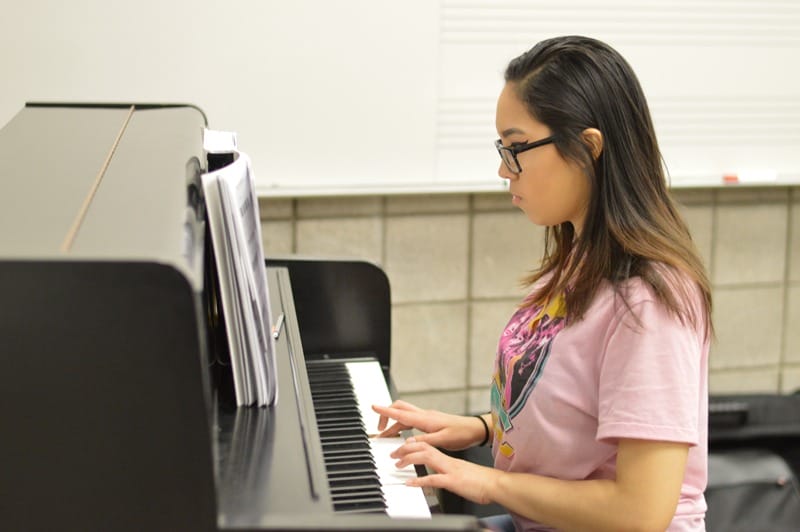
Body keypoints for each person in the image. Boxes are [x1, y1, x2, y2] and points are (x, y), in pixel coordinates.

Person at [372, 35, 712, 532]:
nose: (503, 171)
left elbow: (640, 513)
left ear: (588, 148)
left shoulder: (649, 300)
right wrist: (480, 428)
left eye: (516, 150)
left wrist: (486, 483)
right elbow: (573, 410)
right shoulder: (578, 257)